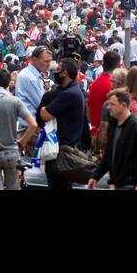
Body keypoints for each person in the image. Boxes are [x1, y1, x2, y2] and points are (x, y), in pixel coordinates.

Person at [88, 89, 137, 190]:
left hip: (131, 185)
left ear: (123, 105)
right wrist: (96, 176)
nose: (108, 107)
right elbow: (108, 155)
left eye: (112, 104)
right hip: (117, 183)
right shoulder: (113, 125)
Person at [39, 56, 87, 191]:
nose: (56, 73)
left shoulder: (69, 94)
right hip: (66, 147)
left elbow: (45, 114)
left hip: (62, 150)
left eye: (58, 70)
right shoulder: (74, 91)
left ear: (65, 73)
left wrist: (44, 108)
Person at [16, 45, 51, 140]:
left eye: (50, 61)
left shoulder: (36, 74)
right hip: (30, 129)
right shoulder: (29, 77)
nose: (49, 64)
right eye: (46, 61)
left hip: (34, 126)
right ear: (34, 60)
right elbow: (40, 103)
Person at [87, 48, 120, 140]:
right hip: (107, 134)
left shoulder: (94, 83)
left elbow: (88, 109)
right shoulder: (113, 85)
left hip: (94, 132)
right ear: (118, 65)